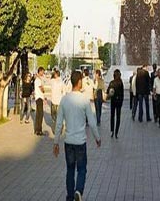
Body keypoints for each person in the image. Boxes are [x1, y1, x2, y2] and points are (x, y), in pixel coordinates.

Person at [53, 71, 101, 201]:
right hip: (80, 142)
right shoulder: (84, 100)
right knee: (81, 169)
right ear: (79, 82)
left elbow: (59, 123)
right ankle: (78, 190)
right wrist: (97, 138)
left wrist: (56, 142)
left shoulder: (64, 100)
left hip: (68, 142)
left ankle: (70, 196)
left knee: (70, 170)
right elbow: (92, 121)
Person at [107, 69, 124, 138]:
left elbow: (108, 91)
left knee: (112, 116)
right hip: (119, 102)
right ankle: (116, 132)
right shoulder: (121, 83)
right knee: (118, 117)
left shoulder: (111, 83)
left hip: (113, 101)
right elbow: (122, 93)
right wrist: (121, 101)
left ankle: (112, 131)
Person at [34, 67, 46, 136]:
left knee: (38, 114)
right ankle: (39, 130)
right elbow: (41, 88)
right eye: (43, 71)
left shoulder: (38, 79)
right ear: (40, 71)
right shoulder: (38, 80)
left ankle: (37, 130)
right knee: (40, 114)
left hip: (39, 98)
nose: (43, 73)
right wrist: (43, 90)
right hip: (39, 98)